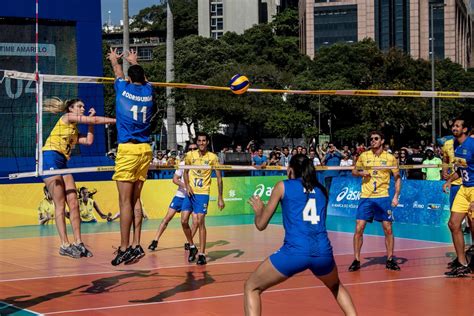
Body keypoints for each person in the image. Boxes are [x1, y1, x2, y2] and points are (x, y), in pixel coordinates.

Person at [245, 154, 356, 316]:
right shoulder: (321, 190)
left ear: (290, 170)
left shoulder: (283, 186)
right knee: (336, 286)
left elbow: (261, 225)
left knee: (251, 287)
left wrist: (259, 211)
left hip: (295, 252)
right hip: (323, 252)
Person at [42, 97, 116, 258]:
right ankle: (64, 244)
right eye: (80, 106)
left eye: (83, 106)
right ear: (70, 109)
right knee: (60, 204)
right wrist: (116, 120)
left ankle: (78, 242)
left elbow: (89, 141)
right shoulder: (66, 118)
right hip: (50, 158)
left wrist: (90, 123)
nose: (83, 108)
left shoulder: (74, 131)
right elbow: (95, 119)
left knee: (74, 203)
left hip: (62, 162)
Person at [108, 48, 154, 266]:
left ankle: (125, 248)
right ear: (143, 78)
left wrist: (116, 60)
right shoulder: (149, 91)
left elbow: (117, 71)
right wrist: (133, 61)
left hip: (127, 150)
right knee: (135, 200)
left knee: (125, 202)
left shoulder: (122, 87)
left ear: (129, 78)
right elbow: (143, 78)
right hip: (145, 150)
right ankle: (136, 245)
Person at [349, 131, 401, 272]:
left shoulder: (390, 158)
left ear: (382, 141)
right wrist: (360, 173)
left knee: (388, 228)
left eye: (376, 139)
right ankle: (356, 260)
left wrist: (396, 195)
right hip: (366, 196)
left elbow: (397, 177)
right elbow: (354, 171)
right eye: (371, 139)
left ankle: (390, 259)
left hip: (383, 197)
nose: (373, 141)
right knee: (359, 228)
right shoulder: (364, 155)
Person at [182, 132, 225, 265]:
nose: (201, 143)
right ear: (197, 142)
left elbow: (219, 178)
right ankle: (192, 246)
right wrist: (187, 185)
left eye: (203, 141)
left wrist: (220, 197)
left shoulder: (213, 157)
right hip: (191, 192)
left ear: (207, 142)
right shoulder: (190, 155)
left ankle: (201, 253)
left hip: (203, 193)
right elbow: (185, 172)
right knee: (184, 221)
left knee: (200, 221)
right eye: (199, 141)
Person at [148, 143, 198, 251]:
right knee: (167, 218)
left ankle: (189, 242)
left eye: (195, 149)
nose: (192, 150)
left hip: (193, 197)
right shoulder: (183, 164)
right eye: (190, 149)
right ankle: (155, 240)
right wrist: (186, 186)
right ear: (187, 151)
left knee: (196, 221)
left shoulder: (201, 164)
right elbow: (175, 179)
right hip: (180, 196)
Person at [442, 116, 473, 277]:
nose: (454, 128)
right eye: (453, 126)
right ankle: (462, 263)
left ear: (465, 129)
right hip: (464, 188)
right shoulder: (457, 147)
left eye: (457, 126)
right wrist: (449, 181)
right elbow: (461, 170)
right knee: (453, 224)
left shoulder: (472, 145)